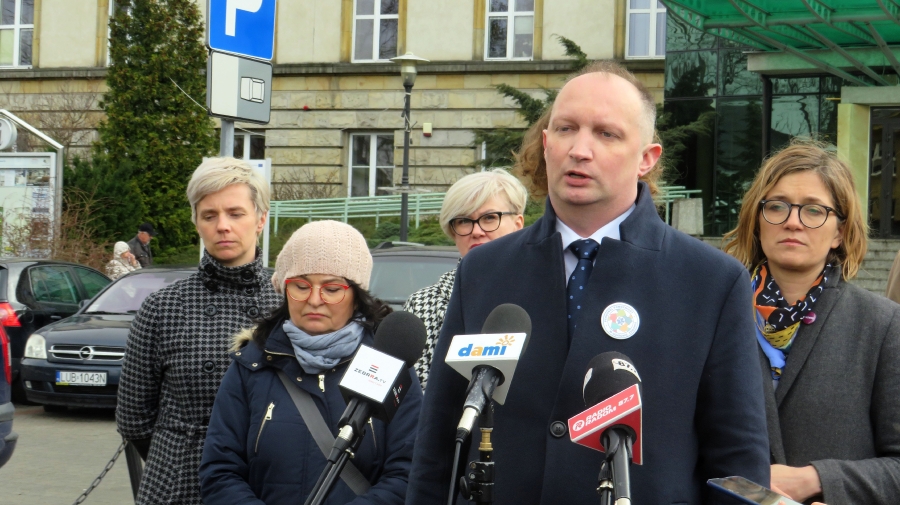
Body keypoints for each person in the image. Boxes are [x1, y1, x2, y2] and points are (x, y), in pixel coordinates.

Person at [405, 60, 770, 504]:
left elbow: (736, 461)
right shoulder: (484, 270)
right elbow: (439, 442)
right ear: (546, 143)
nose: (580, 149)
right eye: (566, 129)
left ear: (647, 158)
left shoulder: (710, 281)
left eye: (606, 134)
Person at [722, 140, 900, 505]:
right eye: (777, 206)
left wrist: (818, 479)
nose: (792, 221)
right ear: (757, 220)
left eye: (814, 210)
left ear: (839, 232)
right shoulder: (715, 315)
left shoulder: (881, 325)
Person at [199, 220, 422, 505]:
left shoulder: (389, 365)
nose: (314, 300)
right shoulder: (251, 365)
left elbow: (408, 472)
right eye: (301, 286)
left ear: (356, 295)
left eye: (332, 288)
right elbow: (220, 471)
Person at [116, 157, 282, 505]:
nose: (222, 226)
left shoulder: (287, 303)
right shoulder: (163, 306)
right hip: (181, 486)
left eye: (235, 213)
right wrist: (178, 454)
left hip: (267, 484)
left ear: (260, 219)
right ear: (196, 222)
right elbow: (133, 418)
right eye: (209, 215)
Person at [403, 168, 526, 389]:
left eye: (489, 218)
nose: (476, 231)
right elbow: (417, 393)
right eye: (463, 221)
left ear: (518, 224)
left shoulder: (546, 294)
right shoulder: (424, 304)